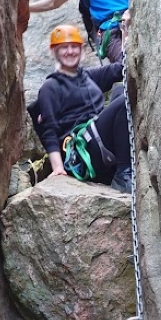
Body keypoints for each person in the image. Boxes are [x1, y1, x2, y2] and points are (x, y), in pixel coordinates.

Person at [33, 20, 132, 193]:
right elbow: (49, 130)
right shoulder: (50, 87)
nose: (70, 51)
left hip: (97, 143)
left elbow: (121, 68)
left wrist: (125, 32)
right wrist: (57, 167)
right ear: (53, 51)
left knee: (120, 90)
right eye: (64, 47)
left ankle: (124, 165)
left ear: (82, 51)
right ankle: (123, 173)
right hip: (81, 153)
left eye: (74, 46)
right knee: (123, 102)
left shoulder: (88, 76)